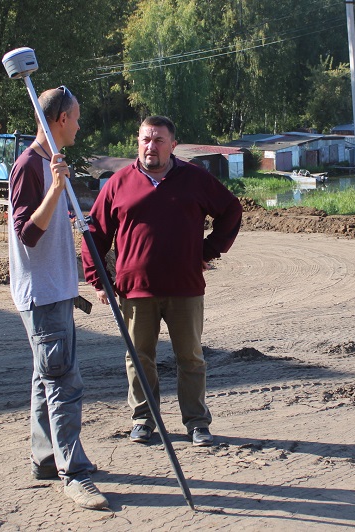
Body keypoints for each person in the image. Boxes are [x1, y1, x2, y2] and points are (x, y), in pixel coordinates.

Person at [82, 115, 242, 447]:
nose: (150, 146)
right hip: (135, 289)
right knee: (139, 357)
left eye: (157, 140)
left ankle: (197, 423)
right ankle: (144, 420)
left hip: (185, 287)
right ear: (137, 142)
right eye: (145, 139)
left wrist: (207, 251)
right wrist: (99, 279)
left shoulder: (194, 179)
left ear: (173, 144)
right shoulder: (119, 183)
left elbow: (231, 211)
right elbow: (94, 232)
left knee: (191, 357)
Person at [8, 85, 108, 510]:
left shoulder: (53, 162)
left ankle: (47, 458)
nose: (80, 125)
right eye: (77, 117)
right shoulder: (31, 164)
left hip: (55, 291)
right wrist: (55, 187)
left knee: (44, 379)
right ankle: (75, 473)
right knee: (64, 383)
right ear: (60, 119)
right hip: (43, 293)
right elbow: (27, 233)